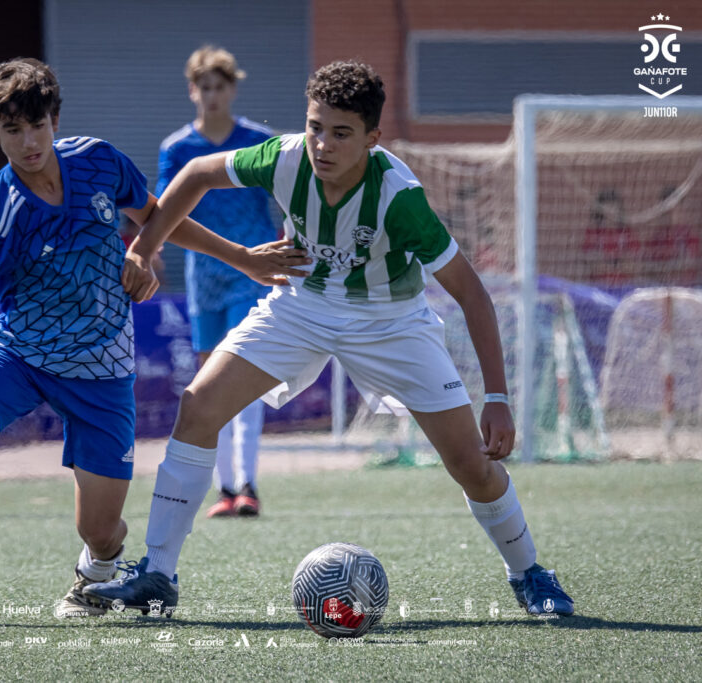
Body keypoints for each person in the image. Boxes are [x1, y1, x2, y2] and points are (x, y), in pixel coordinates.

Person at [0, 58, 308, 617]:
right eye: (13, 131)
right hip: (19, 355)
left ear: (55, 119)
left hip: (103, 367)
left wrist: (234, 258)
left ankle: (94, 574)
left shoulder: (97, 160)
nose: (29, 142)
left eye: (38, 125)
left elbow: (156, 214)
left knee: (99, 529)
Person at [85, 61, 575, 619]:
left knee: (470, 463)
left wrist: (498, 398)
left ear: (372, 139)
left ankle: (529, 571)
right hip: (302, 306)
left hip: (391, 322)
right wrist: (145, 249)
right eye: (316, 126)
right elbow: (196, 172)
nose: (323, 143)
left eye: (341, 133)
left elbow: (473, 295)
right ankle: (157, 574)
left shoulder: (399, 196)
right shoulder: (284, 156)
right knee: (197, 408)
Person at [160, 46, 277, 518]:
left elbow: (289, 199)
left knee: (243, 379)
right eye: (203, 86)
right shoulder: (177, 149)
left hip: (253, 273)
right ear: (193, 91)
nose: (211, 95)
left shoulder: (258, 142)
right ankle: (224, 488)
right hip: (203, 277)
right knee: (208, 381)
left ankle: (248, 483)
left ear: (233, 88)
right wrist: (146, 254)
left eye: (220, 86)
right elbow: (165, 211)